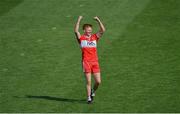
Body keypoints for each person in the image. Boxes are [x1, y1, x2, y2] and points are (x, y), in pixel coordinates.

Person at [74, 16, 105, 104]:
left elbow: (103, 30)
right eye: (88, 30)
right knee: (88, 81)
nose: (90, 31)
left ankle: (92, 92)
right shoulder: (81, 38)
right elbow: (76, 31)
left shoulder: (95, 37)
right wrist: (79, 20)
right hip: (86, 62)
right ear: (84, 30)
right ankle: (88, 98)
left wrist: (98, 20)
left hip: (95, 62)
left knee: (98, 82)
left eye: (90, 29)